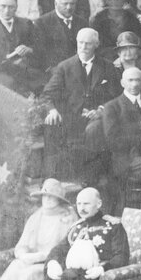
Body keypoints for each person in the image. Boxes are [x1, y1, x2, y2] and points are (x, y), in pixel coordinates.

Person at [39, 27, 119, 180]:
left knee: (94, 131)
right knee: (51, 126)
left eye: (88, 44)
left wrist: (101, 110)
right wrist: (52, 110)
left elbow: (116, 96)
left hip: (96, 118)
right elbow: (47, 94)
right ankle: (52, 178)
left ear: (96, 44)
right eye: (80, 43)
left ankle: (89, 179)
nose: (83, 47)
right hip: (70, 118)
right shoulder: (65, 66)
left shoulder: (107, 66)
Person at [44, 187, 130, 280]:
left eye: (86, 204)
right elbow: (59, 249)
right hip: (73, 274)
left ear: (99, 204)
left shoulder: (113, 226)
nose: (81, 208)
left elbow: (122, 255)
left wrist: (102, 269)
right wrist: (52, 262)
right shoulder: (76, 227)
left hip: (95, 276)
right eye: (79, 204)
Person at [0, 178, 75, 280]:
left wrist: (43, 256)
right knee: (15, 266)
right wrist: (24, 255)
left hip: (53, 262)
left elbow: (69, 247)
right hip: (32, 259)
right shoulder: (36, 217)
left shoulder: (68, 216)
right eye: (45, 196)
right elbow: (22, 245)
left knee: (28, 274)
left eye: (52, 197)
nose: (48, 199)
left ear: (59, 199)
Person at [100, 65, 141, 214]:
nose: (134, 84)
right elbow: (113, 140)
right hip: (124, 158)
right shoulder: (112, 106)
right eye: (130, 80)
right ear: (122, 83)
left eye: (138, 80)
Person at [0, 0, 47, 94]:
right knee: (10, 86)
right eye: (3, 6)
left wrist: (29, 49)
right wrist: (8, 58)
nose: (6, 11)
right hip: (0, 71)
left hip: (24, 68)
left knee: (44, 83)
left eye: (11, 7)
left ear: (16, 8)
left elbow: (40, 48)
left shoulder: (26, 24)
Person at [33, 0, 88, 72]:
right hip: (54, 70)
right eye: (65, 4)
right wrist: (50, 68)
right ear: (56, 4)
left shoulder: (82, 22)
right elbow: (39, 50)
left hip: (78, 69)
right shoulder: (42, 23)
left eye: (72, 4)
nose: (69, 7)